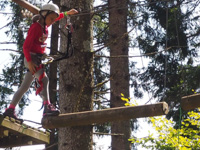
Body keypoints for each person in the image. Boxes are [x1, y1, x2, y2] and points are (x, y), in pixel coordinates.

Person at [3, 3, 78, 120]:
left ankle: (10, 109)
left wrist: (67, 13)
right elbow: (26, 47)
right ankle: (47, 106)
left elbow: (57, 17)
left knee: (24, 87)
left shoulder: (45, 26)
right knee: (44, 79)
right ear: (43, 15)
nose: (53, 21)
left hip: (37, 58)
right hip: (32, 58)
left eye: (54, 19)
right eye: (51, 19)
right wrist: (30, 62)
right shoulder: (36, 27)